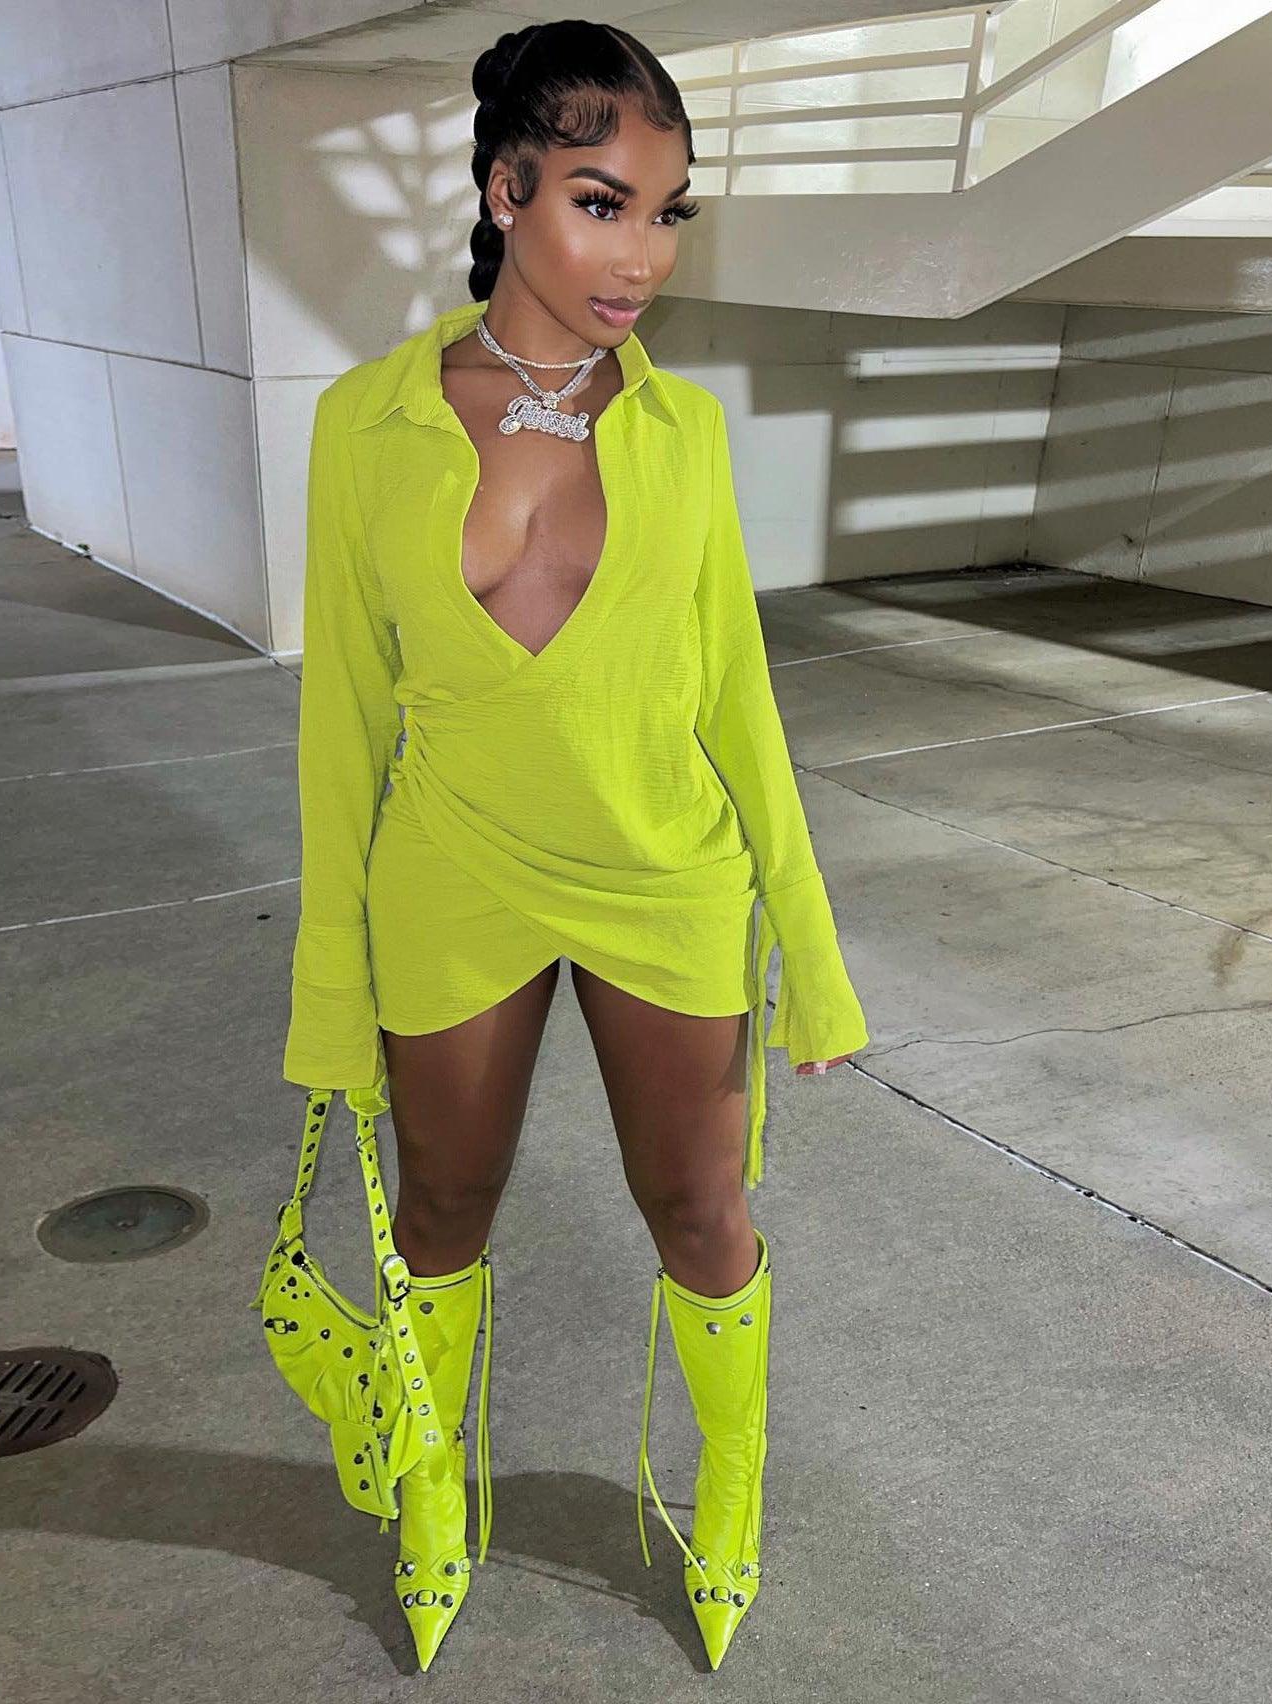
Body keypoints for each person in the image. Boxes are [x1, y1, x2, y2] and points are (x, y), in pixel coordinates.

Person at [283, 18, 869, 1673]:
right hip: (451, 866)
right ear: (506, 190)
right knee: (441, 1204)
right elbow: (342, 728)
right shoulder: (365, 422)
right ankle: (434, 1495)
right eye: (602, 204)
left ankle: (728, 1493)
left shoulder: (682, 434)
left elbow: (738, 697)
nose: (642, 256)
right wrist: (330, 991)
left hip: (662, 870)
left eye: (668, 214)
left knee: (698, 1208)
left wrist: (812, 955)